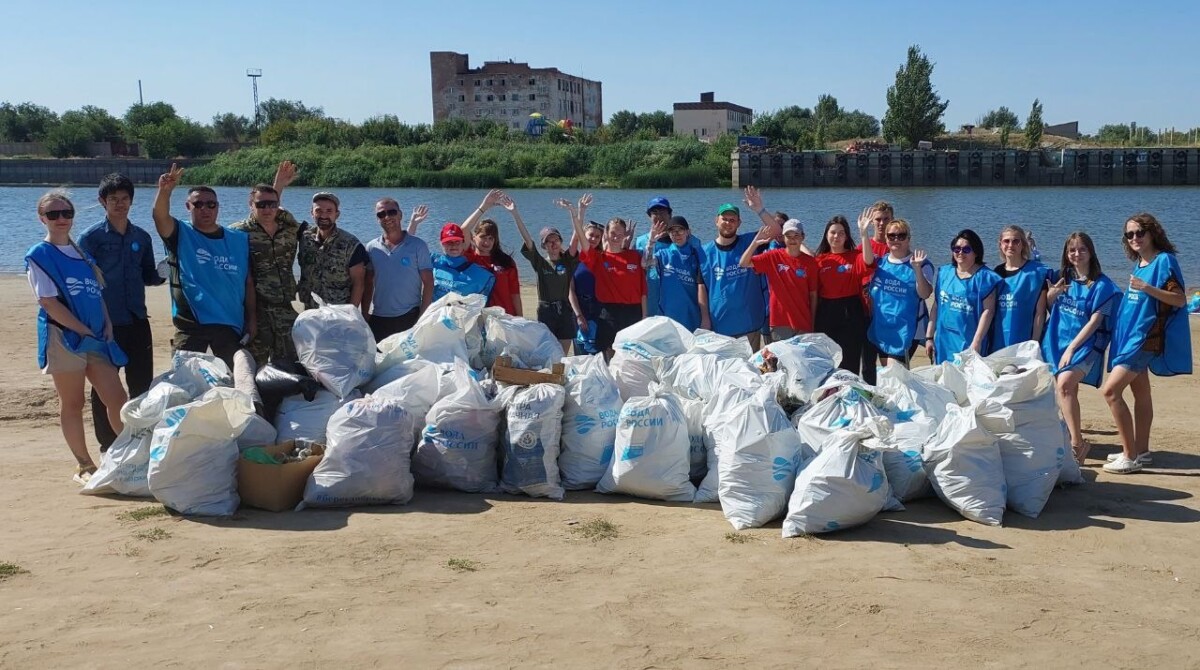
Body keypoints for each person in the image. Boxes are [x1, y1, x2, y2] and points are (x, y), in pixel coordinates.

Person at [26, 190, 129, 484]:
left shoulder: (83, 253)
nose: (61, 219)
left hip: (96, 337)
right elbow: (48, 302)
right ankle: (84, 465)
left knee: (117, 398)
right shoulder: (39, 255)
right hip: (64, 338)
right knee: (73, 403)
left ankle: (129, 453)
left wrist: (106, 324)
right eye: (53, 214)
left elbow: (96, 295)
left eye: (66, 213)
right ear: (42, 218)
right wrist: (81, 329)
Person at [79, 173, 164, 452]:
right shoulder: (90, 238)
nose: (120, 204)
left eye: (124, 199)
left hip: (138, 320)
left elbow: (149, 276)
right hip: (105, 325)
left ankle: (139, 442)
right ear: (102, 201)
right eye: (113, 199)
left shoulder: (141, 236)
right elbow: (81, 283)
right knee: (105, 387)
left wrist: (169, 268)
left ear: (131, 201)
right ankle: (109, 445)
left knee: (141, 384)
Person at [1101, 213, 1191, 474]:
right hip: (1130, 338)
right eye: (1129, 235)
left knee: (1110, 392)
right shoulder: (1140, 263)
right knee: (1141, 393)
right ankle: (1141, 449)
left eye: (1140, 232)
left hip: (1146, 339)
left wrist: (1146, 287)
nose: (1135, 238)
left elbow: (1179, 300)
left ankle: (1129, 457)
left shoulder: (1164, 261)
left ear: (1153, 233)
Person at [152, 164, 254, 369]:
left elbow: (248, 283)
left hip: (229, 326)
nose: (205, 209)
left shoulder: (238, 239)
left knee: (232, 385)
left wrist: (252, 321)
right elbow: (160, 217)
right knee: (186, 387)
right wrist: (164, 191)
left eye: (211, 204)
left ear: (218, 207)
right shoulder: (180, 233)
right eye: (198, 205)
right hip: (191, 327)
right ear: (188, 206)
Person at [1041, 232, 1119, 464]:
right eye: (1072, 250)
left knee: (1065, 385)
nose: (1076, 254)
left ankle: (1077, 444)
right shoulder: (1061, 277)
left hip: (1084, 346)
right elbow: (1047, 306)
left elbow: (1095, 323)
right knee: (1067, 391)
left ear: (1091, 252)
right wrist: (1051, 296)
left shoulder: (1102, 285)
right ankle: (1073, 439)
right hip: (1055, 340)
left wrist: (1072, 349)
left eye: (1081, 249)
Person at [230, 161, 300, 365]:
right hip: (255, 310)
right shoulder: (238, 232)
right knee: (255, 364)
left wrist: (279, 186)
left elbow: (275, 205)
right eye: (261, 205)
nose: (267, 209)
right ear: (251, 206)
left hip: (285, 306)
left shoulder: (288, 227)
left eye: (272, 204)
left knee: (290, 363)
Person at [700, 195, 780, 349]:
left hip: (749, 324)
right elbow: (701, 287)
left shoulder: (751, 241)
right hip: (719, 325)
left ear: (739, 223)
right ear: (716, 220)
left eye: (732, 220)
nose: (728, 223)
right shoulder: (704, 252)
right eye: (725, 219)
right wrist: (705, 318)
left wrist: (759, 209)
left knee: (751, 370)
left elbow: (776, 230)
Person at [504, 193, 579, 352]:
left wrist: (574, 213)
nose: (553, 244)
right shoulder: (540, 263)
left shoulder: (567, 260)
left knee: (563, 354)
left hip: (565, 310)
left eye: (556, 240)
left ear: (560, 241)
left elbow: (576, 237)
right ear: (544, 245)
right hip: (546, 311)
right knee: (548, 352)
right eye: (548, 241)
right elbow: (527, 240)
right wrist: (515, 213)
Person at [567, 212, 645, 358]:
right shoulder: (595, 258)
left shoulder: (626, 255)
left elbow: (622, 263)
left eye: (597, 236)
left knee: (623, 352)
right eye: (613, 233)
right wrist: (577, 212)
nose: (593, 239)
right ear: (607, 235)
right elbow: (582, 240)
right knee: (592, 350)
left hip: (611, 311)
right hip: (592, 310)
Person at [814, 211, 876, 380]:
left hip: (851, 311)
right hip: (826, 312)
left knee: (850, 360)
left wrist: (864, 233)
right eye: (833, 232)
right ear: (826, 235)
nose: (836, 236)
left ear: (847, 236)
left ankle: (850, 394)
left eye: (841, 233)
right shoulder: (819, 260)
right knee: (827, 359)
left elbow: (869, 262)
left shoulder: (855, 256)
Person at [926, 229, 1001, 365]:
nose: (960, 252)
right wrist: (929, 337)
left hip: (968, 339)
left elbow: (988, 312)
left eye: (966, 249)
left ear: (976, 252)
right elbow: (936, 306)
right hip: (944, 340)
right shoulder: (944, 272)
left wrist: (976, 342)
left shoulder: (985, 277)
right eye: (957, 248)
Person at [363, 198, 434, 341]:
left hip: (410, 316)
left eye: (392, 212)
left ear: (400, 215)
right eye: (381, 214)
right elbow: (368, 283)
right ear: (377, 219)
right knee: (379, 361)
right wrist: (364, 314)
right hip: (379, 317)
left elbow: (428, 282)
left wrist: (422, 316)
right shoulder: (371, 248)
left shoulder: (418, 246)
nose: (387, 217)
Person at [866, 219, 934, 368]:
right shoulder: (880, 263)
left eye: (901, 235)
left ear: (909, 238)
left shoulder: (922, 264)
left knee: (895, 373)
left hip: (907, 330)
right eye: (891, 236)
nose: (896, 239)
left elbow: (925, 294)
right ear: (886, 239)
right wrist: (864, 234)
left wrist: (916, 269)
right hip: (882, 328)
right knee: (887, 373)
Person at [739, 218, 819, 340]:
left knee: (801, 359)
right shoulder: (773, 256)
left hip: (803, 321)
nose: (792, 239)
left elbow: (813, 295)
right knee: (781, 358)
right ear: (783, 237)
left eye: (796, 235)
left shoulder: (811, 263)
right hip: (779, 323)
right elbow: (744, 263)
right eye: (788, 235)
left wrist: (812, 323)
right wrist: (755, 243)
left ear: (803, 237)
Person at [296, 191, 368, 310]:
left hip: (338, 312)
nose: (323, 215)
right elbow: (274, 214)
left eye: (329, 211)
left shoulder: (351, 244)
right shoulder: (304, 236)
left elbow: (358, 284)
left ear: (337, 214)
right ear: (312, 213)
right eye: (318, 210)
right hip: (308, 311)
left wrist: (350, 314)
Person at [635, 196, 702, 319]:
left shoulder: (692, 241)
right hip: (652, 300)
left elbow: (702, 274)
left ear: (670, 214)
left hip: (683, 303)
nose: (659, 216)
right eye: (654, 212)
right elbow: (639, 270)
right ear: (649, 216)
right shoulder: (641, 241)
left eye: (663, 212)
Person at [641, 215, 709, 331]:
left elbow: (703, 286)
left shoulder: (698, 254)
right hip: (668, 316)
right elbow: (645, 264)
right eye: (672, 231)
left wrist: (705, 318)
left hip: (692, 315)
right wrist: (651, 242)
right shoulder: (663, 254)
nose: (677, 234)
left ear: (688, 232)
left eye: (680, 230)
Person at [461, 190, 522, 316]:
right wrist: (484, 207)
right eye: (483, 237)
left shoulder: (506, 262)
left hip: (504, 316)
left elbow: (515, 294)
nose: (487, 242)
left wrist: (520, 319)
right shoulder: (469, 258)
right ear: (474, 237)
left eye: (491, 238)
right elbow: (464, 230)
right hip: (477, 318)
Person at [990, 225, 1049, 352]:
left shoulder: (1037, 273)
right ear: (1000, 244)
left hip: (1024, 341)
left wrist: (1034, 343)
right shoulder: (996, 273)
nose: (1010, 245)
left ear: (1023, 245)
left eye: (1016, 241)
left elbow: (1040, 313)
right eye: (1006, 241)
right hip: (998, 341)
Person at [565, 200, 603, 354]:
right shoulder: (574, 258)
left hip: (596, 310)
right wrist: (578, 314)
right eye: (590, 235)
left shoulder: (596, 256)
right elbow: (570, 290)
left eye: (597, 237)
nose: (593, 239)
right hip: (577, 309)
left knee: (596, 352)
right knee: (579, 352)